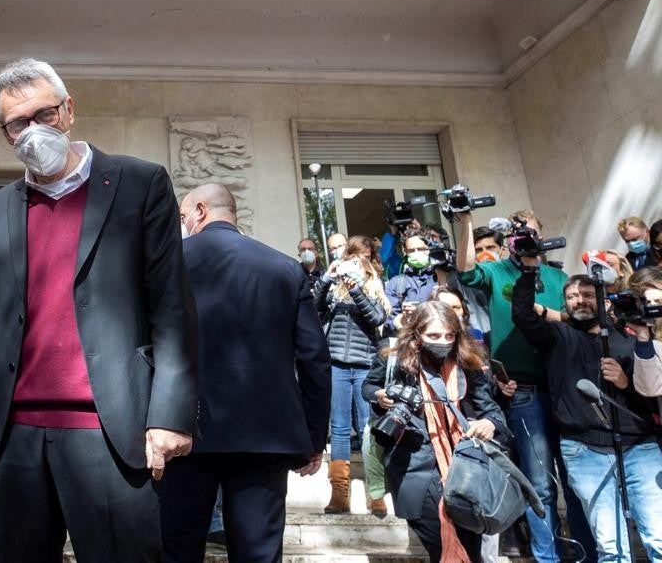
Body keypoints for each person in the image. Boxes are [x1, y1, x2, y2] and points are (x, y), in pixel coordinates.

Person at [0, 58, 198, 562]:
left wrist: (171, 415)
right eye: (17, 123)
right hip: (16, 439)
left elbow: (172, 308)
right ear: (4, 133)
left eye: (44, 115)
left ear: (68, 110)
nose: (33, 130)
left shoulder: (141, 184)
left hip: (111, 430)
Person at [158, 183, 330, 562]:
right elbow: (314, 358)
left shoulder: (168, 263)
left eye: (184, 216)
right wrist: (314, 438)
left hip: (183, 428)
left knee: (176, 549)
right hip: (266, 436)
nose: (183, 224)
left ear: (200, 211)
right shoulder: (287, 268)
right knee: (259, 554)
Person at [455, 209, 593, 562]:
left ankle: (585, 554)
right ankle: (547, 557)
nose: (528, 239)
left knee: (577, 484)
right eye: (520, 234)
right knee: (541, 485)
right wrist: (465, 220)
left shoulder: (558, 277)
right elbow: (466, 271)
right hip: (523, 391)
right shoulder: (497, 271)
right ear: (510, 241)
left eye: (533, 232)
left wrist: (543, 314)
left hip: (567, 389)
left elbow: (581, 321)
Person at [513, 265, 662, 562]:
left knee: (658, 537)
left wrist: (623, 383)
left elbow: (651, 400)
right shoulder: (557, 336)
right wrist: (529, 270)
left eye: (587, 294)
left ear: (604, 300)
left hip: (639, 447)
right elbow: (523, 315)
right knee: (610, 545)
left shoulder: (630, 336)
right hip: (585, 451)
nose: (579, 300)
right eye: (571, 297)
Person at [363, 301, 508, 563]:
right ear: (416, 334)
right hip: (414, 469)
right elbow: (369, 386)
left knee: (471, 552)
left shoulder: (469, 363)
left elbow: (493, 412)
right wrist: (380, 396)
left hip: (465, 473)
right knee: (440, 547)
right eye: (434, 336)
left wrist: (489, 424)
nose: (442, 342)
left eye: (449, 336)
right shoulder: (394, 357)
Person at [312, 234, 390, 517]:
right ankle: (339, 493)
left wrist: (356, 287)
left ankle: (376, 492)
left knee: (368, 427)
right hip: (336, 365)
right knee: (340, 429)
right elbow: (314, 307)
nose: (356, 264)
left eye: (361, 260)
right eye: (351, 259)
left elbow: (376, 319)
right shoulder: (335, 289)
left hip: (365, 366)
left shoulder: (374, 288)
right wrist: (327, 279)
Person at [385, 232, 439, 332]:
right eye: (411, 250)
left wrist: (423, 313)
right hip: (409, 339)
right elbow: (388, 319)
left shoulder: (440, 277)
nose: (416, 252)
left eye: (420, 249)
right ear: (405, 252)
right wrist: (401, 320)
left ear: (429, 249)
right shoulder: (396, 283)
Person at [627, 266, 662, 398]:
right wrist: (642, 336)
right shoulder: (640, 338)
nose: (653, 307)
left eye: (657, 301)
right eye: (646, 302)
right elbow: (650, 388)